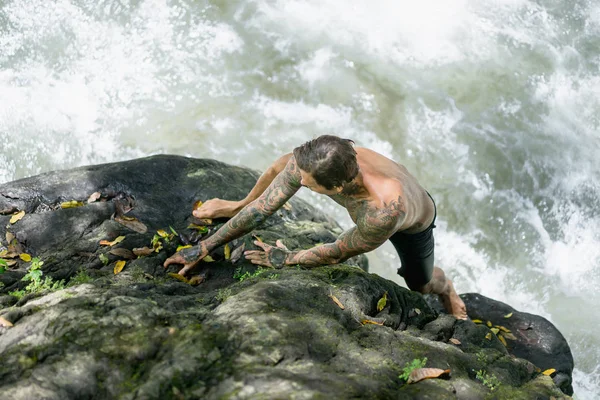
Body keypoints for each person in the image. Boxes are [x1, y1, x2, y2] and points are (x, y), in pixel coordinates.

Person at [164, 135, 467, 319]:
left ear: (335, 189)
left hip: (414, 223)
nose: (299, 181)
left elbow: (336, 252)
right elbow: (268, 196)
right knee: (282, 173)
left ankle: (449, 289)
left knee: (420, 284)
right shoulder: (322, 157)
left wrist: (286, 258)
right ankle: (234, 204)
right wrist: (203, 247)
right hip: (371, 191)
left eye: (307, 185)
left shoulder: (382, 212)